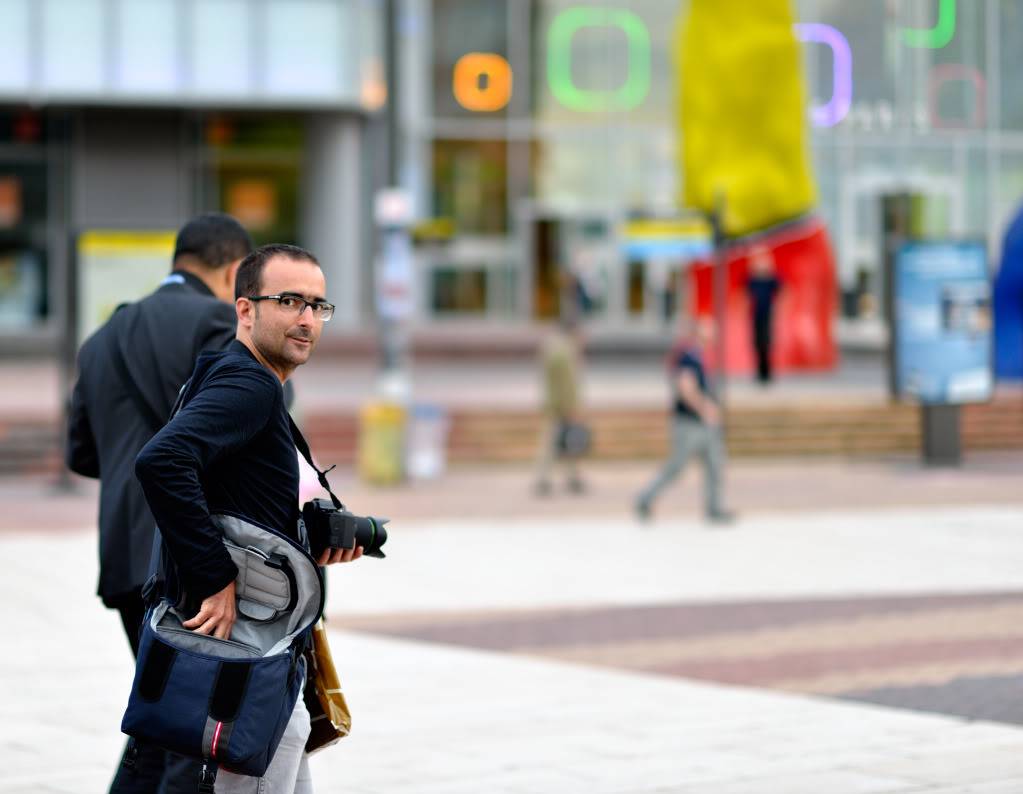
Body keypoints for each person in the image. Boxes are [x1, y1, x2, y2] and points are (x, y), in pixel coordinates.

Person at [134, 243, 363, 793]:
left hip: (265, 642)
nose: (307, 320)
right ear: (245, 310)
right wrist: (215, 577)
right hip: (247, 640)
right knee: (267, 754)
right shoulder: (249, 385)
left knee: (287, 739)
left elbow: (227, 493)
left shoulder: (231, 374)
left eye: (317, 305)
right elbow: (161, 462)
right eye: (289, 301)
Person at [66, 213, 253, 794]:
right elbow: (253, 426)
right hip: (189, 554)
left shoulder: (102, 338)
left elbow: (81, 453)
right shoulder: (220, 322)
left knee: (162, 715)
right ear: (231, 272)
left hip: (123, 555)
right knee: (186, 725)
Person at [635, 317, 734, 524]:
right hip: (690, 423)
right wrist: (705, 408)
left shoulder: (698, 356)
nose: (714, 333)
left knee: (715, 464)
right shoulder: (688, 357)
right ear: (699, 332)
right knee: (676, 467)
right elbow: (685, 388)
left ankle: (714, 507)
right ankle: (645, 498)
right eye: (709, 329)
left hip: (704, 424)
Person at [533, 314, 586, 495]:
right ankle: (554, 478)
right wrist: (571, 405)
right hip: (561, 405)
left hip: (554, 402)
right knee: (565, 441)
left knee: (559, 441)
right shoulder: (565, 351)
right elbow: (567, 382)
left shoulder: (553, 347)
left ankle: (564, 477)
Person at [746, 245, 781, 384]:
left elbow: (782, 292)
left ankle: (767, 372)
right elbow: (745, 295)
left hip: (767, 314)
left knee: (766, 342)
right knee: (757, 343)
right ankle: (760, 372)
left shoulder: (771, 279)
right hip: (756, 315)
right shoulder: (752, 280)